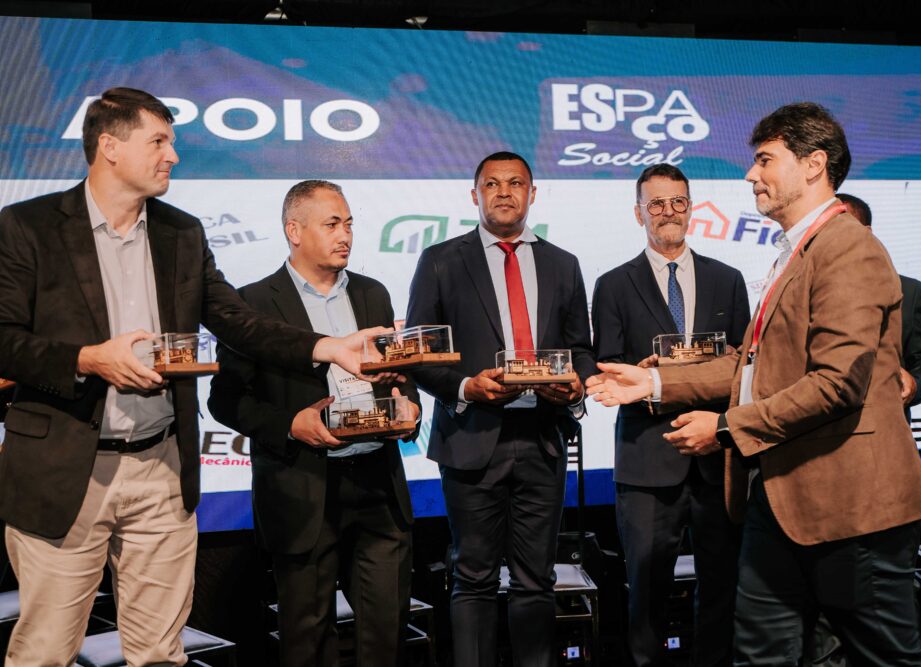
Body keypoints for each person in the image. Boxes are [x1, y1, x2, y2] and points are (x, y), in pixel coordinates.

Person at [0, 88, 381, 666]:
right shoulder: (27, 226)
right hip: (64, 470)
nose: (173, 155)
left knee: (160, 653)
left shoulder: (181, 232)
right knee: (46, 653)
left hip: (161, 467)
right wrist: (88, 359)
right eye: (158, 141)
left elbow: (237, 320)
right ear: (109, 146)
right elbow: (5, 340)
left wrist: (326, 346)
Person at [587, 103, 921, 666]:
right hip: (780, 498)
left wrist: (726, 427)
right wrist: (652, 382)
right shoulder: (794, 252)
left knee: (890, 658)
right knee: (759, 653)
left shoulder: (848, 248)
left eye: (765, 160)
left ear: (813, 164)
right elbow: (751, 365)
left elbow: (836, 385)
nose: (751, 174)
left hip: (851, 505)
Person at [208, 180, 419, 666]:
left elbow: (399, 376)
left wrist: (408, 407)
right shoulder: (252, 303)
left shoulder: (372, 293)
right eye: (332, 224)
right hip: (301, 485)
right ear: (294, 231)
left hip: (378, 483)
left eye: (349, 224)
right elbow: (225, 400)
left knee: (387, 636)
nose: (345, 235)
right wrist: (291, 423)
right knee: (307, 641)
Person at [406, 151, 596, 667]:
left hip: (543, 437)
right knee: (473, 579)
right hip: (470, 437)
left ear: (533, 193)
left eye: (516, 183)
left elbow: (580, 349)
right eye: (492, 184)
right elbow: (416, 353)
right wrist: (466, 387)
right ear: (475, 195)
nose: (505, 192)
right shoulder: (441, 260)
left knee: (537, 581)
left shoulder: (563, 263)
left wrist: (575, 387)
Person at [591, 163, 749, 666]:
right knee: (646, 591)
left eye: (678, 201)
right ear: (638, 213)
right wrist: (643, 376)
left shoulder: (728, 279)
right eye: (656, 203)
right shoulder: (613, 285)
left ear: (691, 207)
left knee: (722, 586)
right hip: (647, 461)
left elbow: (745, 368)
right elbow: (608, 368)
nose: (668, 212)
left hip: (717, 455)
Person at [839, 192, 921, 422]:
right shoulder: (800, 289)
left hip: (887, 426)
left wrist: (915, 384)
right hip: (818, 432)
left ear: (867, 233)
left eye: (841, 229)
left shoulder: (906, 290)